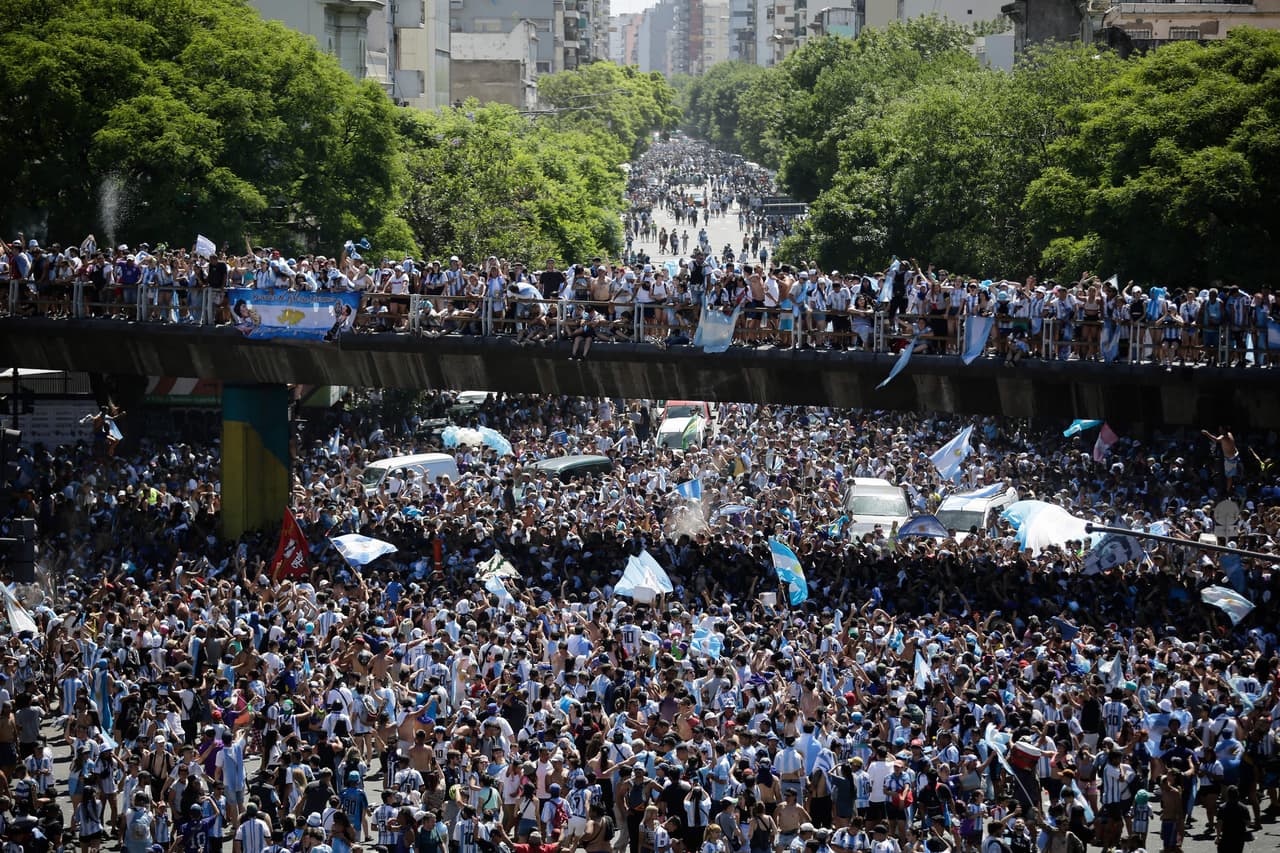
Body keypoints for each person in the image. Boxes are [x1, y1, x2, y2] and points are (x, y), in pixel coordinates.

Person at [1215, 786, 1251, 853]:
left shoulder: (1222, 808)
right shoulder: (1243, 808)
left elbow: (1219, 824)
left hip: (1226, 836)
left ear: (1227, 795)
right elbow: (1248, 823)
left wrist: (1217, 837)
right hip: (1239, 837)